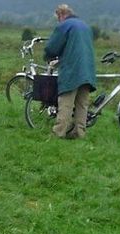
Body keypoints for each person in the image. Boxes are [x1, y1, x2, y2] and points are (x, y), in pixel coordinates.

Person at [44, 4, 97, 139]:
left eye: (58, 18)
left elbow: (52, 47)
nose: (58, 21)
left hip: (72, 69)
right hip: (88, 69)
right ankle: (79, 133)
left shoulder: (65, 26)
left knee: (66, 102)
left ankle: (58, 132)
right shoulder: (85, 26)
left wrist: (49, 56)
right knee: (82, 104)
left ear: (61, 15)